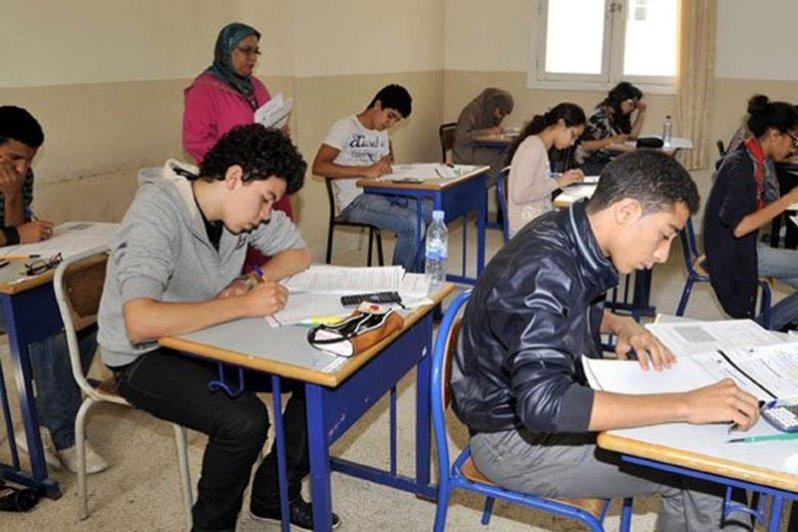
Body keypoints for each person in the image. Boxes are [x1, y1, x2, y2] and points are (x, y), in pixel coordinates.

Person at [452, 150, 759, 531]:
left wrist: (618, 324)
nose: (663, 255)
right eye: (664, 235)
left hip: (535, 416)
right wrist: (686, 405)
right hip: (513, 442)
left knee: (700, 445)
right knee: (694, 470)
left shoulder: (570, 233)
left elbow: (556, 313)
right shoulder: (542, 267)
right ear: (626, 211)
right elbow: (544, 405)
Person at [97, 125, 340, 530]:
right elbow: (140, 322)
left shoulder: (239, 209)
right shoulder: (156, 212)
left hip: (203, 338)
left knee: (319, 374)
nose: (267, 214)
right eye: (266, 199)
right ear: (234, 177)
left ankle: (273, 494)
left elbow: (299, 253)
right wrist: (242, 305)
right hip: (142, 356)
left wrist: (249, 280)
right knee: (243, 422)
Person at [0, 106, 107, 474]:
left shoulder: (19, 176)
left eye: (28, 161)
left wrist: (13, 196)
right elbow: (16, 234)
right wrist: (16, 233)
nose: (22, 169)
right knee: (47, 321)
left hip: (9, 278)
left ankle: (44, 422)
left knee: (83, 308)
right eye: (15, 158)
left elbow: (17, 240)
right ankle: (64, 436)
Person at [183, 21, 293, 271]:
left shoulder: (256, 86)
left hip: (267, 182)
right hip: (235, 188)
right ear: (226, 49)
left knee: (279, 255)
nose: (252, 58)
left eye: (256, 52)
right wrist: (239, 163)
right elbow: (195, 142)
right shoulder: (203, 90)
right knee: (241, 261)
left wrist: (278, 135)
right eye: (245, 50)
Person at [704, 95, 798, 331]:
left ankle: (765, 328)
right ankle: (758, 330)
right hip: (733, 252)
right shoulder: (742, 166)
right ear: (774, 133)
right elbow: (740, 227)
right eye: (793, 140)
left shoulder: (752, 156)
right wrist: (788, 200)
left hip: (741, 246)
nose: (793, 149)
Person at [312, 84, 428, 271]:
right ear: (377, 105)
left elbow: (383, 162)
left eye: (396, 120)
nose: (390, 124)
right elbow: (318, 166)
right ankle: (398, 281)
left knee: (432, 212)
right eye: (390, 116)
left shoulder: (381, 133)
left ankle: (418, 276)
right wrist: (365, 170)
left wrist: (387, 161)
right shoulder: (345, 127)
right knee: (413, 225)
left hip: (382, 193)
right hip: (355, 200)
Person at [505, 103, 586, 236]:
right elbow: (519, 195)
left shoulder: (540, 146)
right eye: (573, 135)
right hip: (525, 229)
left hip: (536, 219)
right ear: (561, 124)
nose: (572, 143)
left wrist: (563, 178)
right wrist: (557, 183)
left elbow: (537, 180)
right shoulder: (533, 148)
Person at [577, 82, 646, 175]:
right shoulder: (599, 117)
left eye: (634, 106)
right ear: (621, 99)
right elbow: (585, 145)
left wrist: (641, 112)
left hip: (606, 157)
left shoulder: (617, 116)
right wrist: (612, 141)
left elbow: (631, 136)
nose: (632, 108)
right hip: (592, 161)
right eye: (631, 104)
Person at [452, 88, 514, 179]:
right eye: (501, 112)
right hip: (465, 151)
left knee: (506, 152)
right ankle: (487, 183)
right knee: (501, 157)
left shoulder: (488, 112)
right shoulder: (473, 110)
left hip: (478, 147)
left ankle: (489, 182)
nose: (501, 117)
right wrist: (488, 132)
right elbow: (461, 136)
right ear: (494, 105)